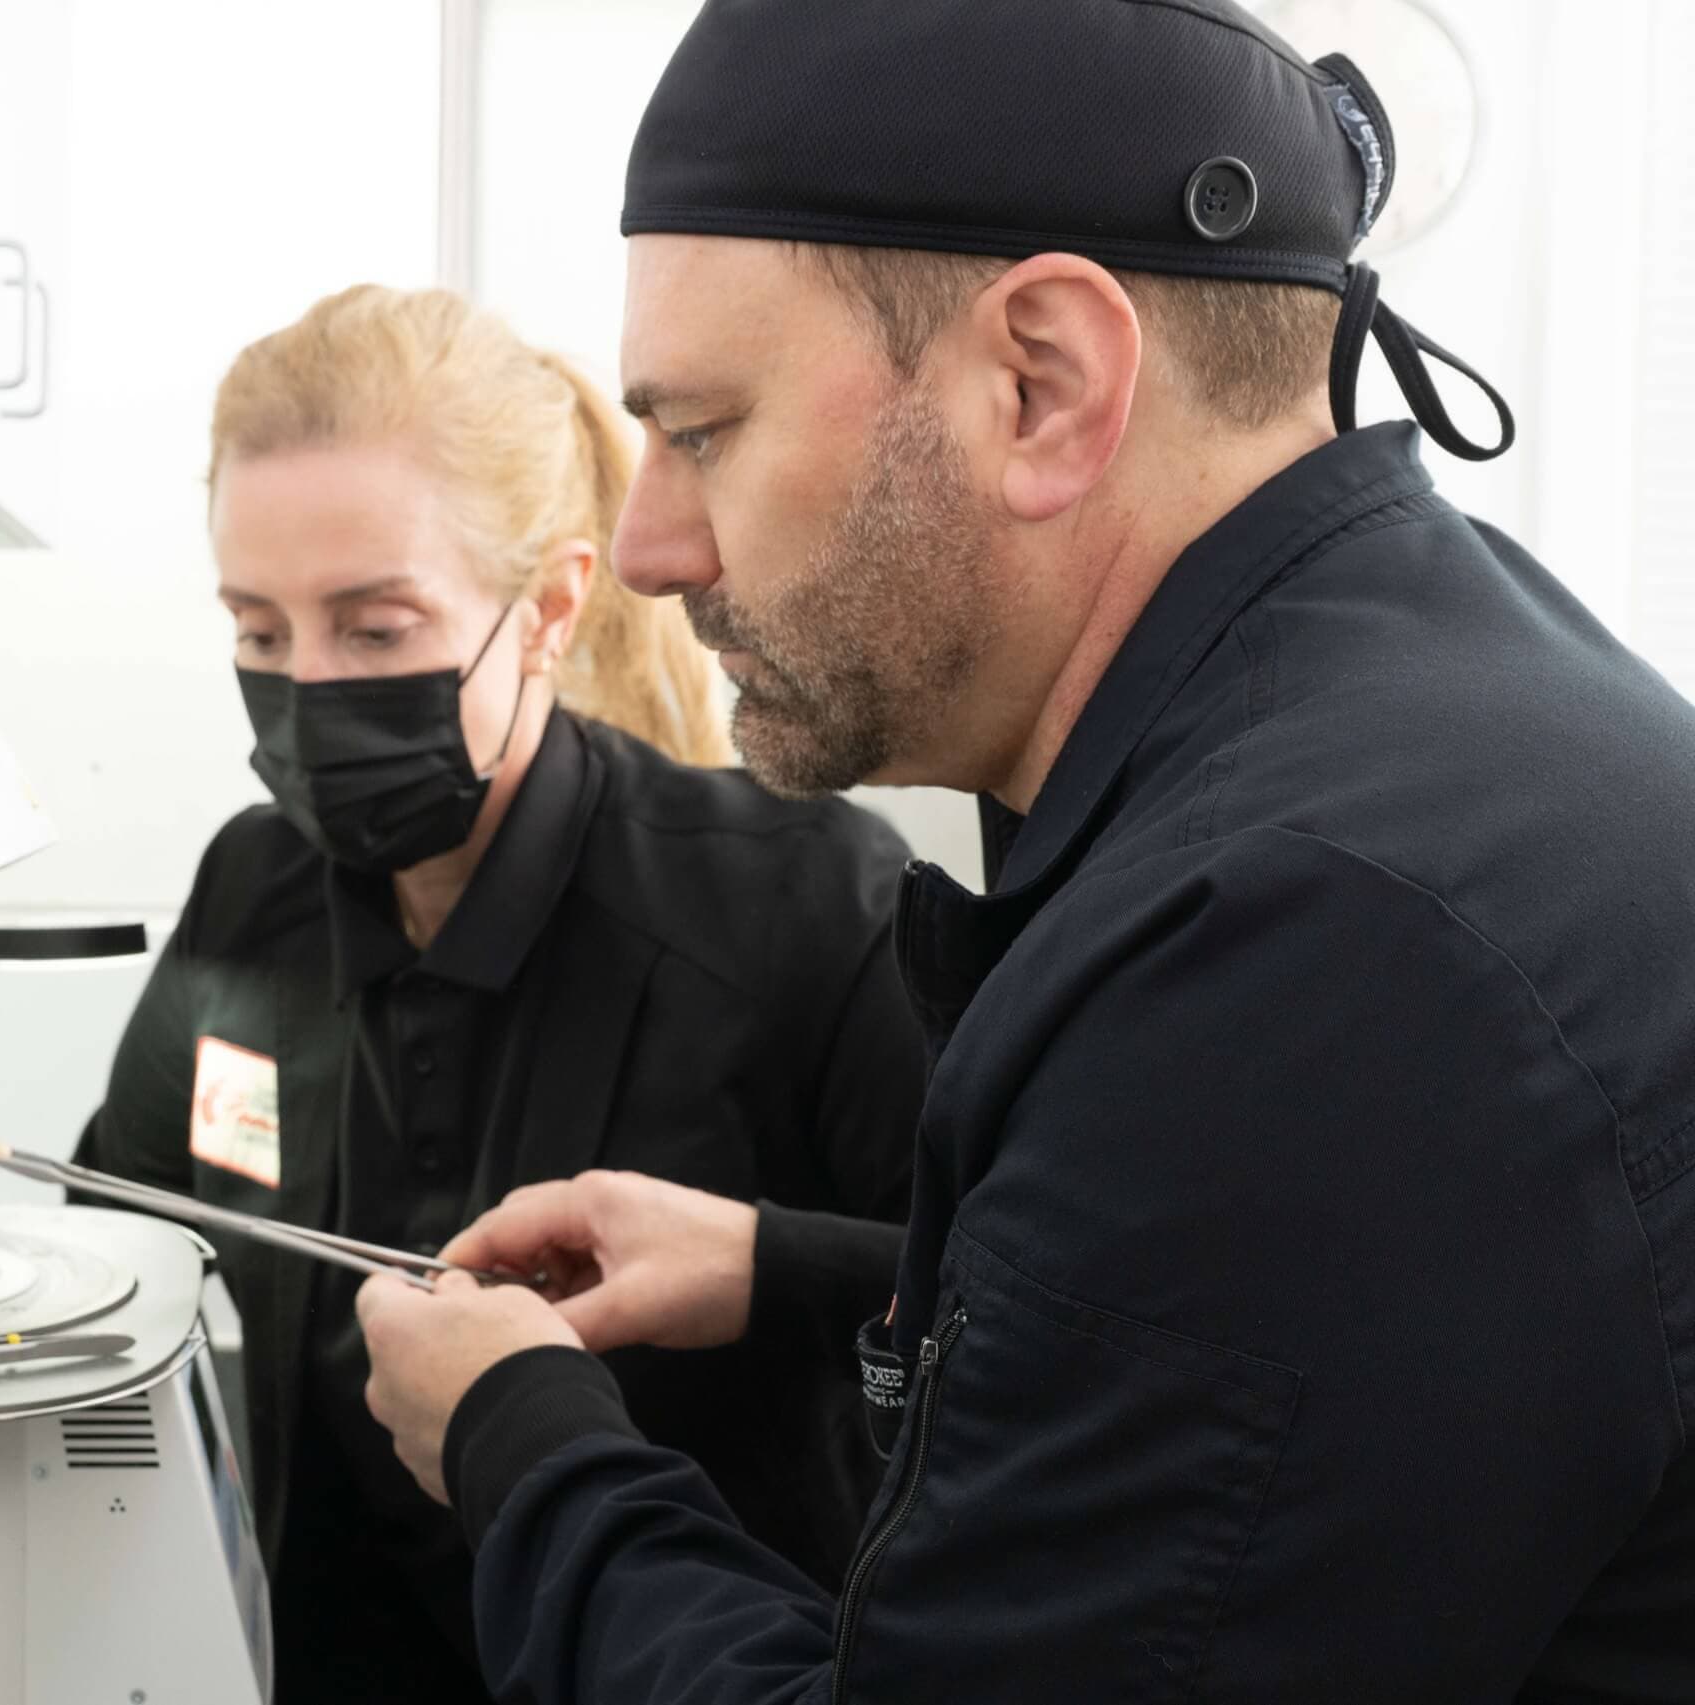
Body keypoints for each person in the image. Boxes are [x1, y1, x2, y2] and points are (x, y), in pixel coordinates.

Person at [353, 3, 1695, 1700]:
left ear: (1042, 384)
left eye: (702, 430)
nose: (646, 547)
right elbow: (1283, 1360)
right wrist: (795, 1277)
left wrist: (522, 1445)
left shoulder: (1307, 955)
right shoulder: (1429, 721)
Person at [71, 285, 928, 1703]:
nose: (305, 693)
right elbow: (129, 1234)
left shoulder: (802, 905)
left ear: (548, 606)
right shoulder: (253, 890)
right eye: (259, 632)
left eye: (376, 626)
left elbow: (1009, 1324)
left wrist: (770, 1268)